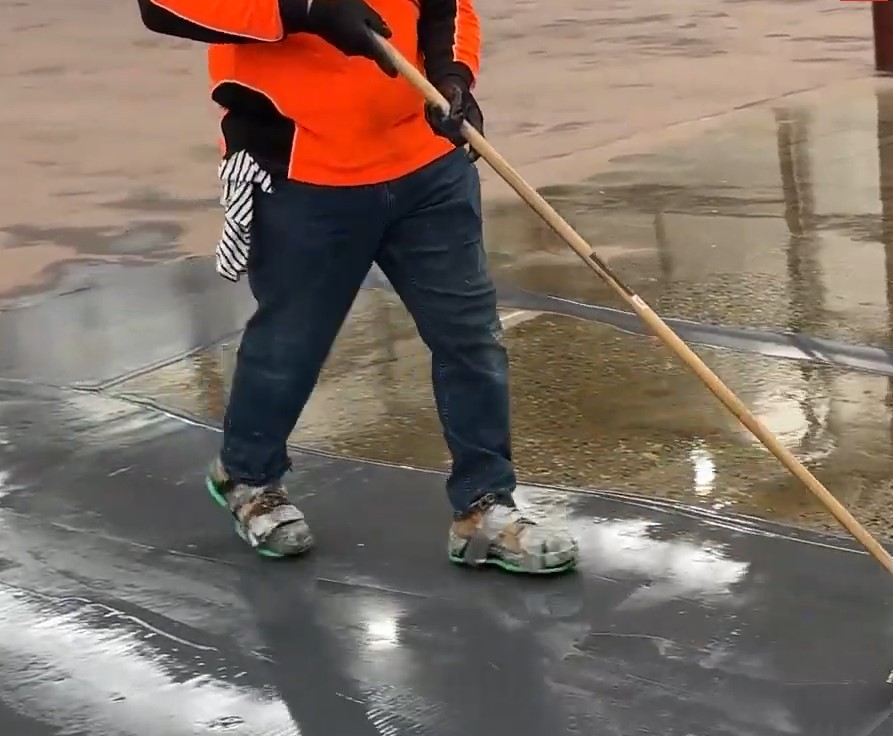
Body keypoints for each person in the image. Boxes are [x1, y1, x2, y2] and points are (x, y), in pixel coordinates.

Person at [138, 0, 578, 574]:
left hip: (426, 163)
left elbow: (446, 6)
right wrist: (304, 10)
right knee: (293, 342)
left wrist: (452, 76)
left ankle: (484, 507)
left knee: (469, 336)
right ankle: (248, 474)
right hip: (301, 168)